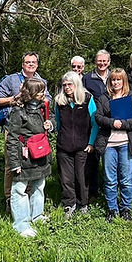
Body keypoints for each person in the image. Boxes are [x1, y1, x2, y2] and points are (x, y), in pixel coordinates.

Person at [0, 52, 52, 209]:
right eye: (28, 62)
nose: (31, 64)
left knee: (33, 164)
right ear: (22, 64)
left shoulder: (41, 81)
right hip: (15, 129)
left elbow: (48, 101)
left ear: (37, 64)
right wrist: (13, 100)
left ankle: (28, 199)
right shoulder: (11, 80)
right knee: (12, 165)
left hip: (35, 132)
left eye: (34, 62)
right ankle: (10, 199)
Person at [4, 78, 54, 238]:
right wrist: (14, 163)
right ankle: (21, 225)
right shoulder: (18, 112)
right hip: (24, 157)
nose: (43, 94)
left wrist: (50, 124)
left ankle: (37, 216)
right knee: (19, 190)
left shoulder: (43, 107)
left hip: (41, 154)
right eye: (40, 91)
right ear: (31, 93)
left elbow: (52, 119)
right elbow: (12, 139)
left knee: (39, 186)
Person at [94, 68, 132, 222]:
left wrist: (122, 124)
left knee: (126, 179)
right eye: (113, 80)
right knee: (110, 179)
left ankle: (126, 208)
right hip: (109, 144)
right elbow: (98, 117)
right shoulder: (103, 98)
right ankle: (112, 209)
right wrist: (112, 122)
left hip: (126, 143)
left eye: (119, 80)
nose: (116, 82)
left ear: (124, 81)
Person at [53, 71, 98, 218]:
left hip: (83, 146)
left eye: (70, 84)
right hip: (64, 146)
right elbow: (58, 122)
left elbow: (95, 123)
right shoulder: (59, 102)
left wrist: (91, 143)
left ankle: (83, 203)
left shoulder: (87, 99)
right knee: (66, 178)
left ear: (76, 84)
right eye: (64, 85)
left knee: (82, 177)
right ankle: (69, 204)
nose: (67, 87)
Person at [82, 49, 112, 201]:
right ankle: (92, 192)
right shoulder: (87, 78)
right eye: (99, 61)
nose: (102, 63)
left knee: (111, 159)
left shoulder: (114, 77)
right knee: (92, 160)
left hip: (111, 122)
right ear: (95, 62)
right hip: (93, 122)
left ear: (109, 62)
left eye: (104, 61)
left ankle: (110, 191)